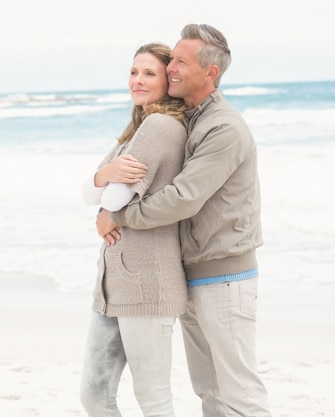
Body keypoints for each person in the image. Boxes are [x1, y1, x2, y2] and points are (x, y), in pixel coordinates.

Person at [96, 24, 273, 417]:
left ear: (210, 72)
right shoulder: (188, 119)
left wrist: (117, 214)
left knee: (239, 393)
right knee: (209, 390)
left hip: (225, 279)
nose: (170, 67)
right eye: (171, 59)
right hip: (192, 275)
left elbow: (182, 199)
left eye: (180, 61)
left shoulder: (223, 127)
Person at [80, 42, 190, 417]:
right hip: (113, 284)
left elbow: (110, 201)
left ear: (168, 80)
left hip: (148, 282)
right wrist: (103, 177)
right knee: (94, 395)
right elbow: (89, 191)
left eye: (149, 73)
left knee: (153, 397)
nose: (138, 80)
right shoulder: (137, 128)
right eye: (133, 72)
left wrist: (103, 191)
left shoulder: (160, 126)